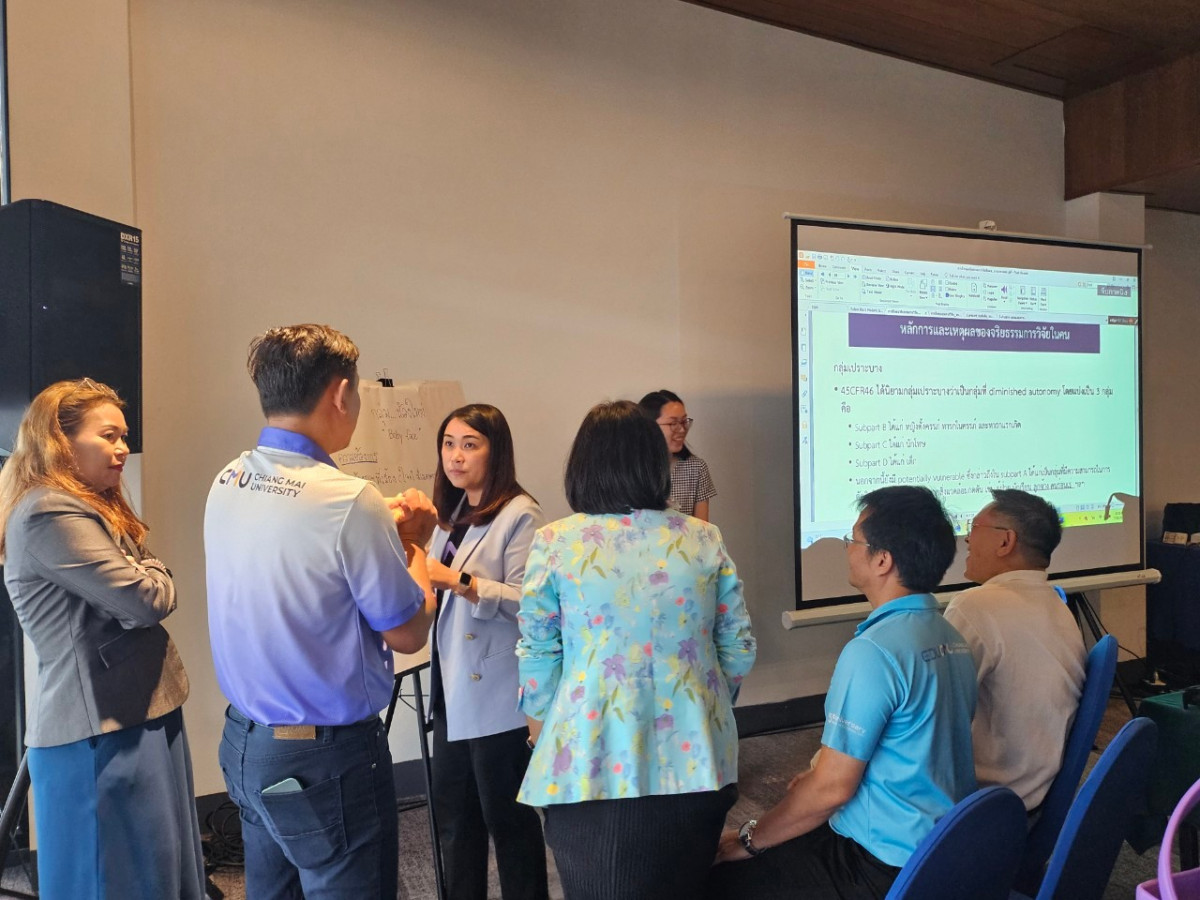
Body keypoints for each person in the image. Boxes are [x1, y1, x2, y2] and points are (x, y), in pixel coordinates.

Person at [205, 324, 437, 900]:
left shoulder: (229, 478)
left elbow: (301, 557)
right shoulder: (348, 499)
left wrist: (377, 530)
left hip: (247, 743)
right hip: (325, 758)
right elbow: (408, 633)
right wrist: (415, 546)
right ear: (341, 393)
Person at [516, 400, 756, 900]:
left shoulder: (557, 543)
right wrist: (706, 703)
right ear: (655, 465)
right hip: (697, 757)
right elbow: (737, 647)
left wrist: (543, 731)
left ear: (582, 466)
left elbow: (538, 654)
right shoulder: (703, 539)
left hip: (589, 756)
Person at [707, 485, 976, 900]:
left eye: (854, 539)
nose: (847, 548)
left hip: (878, 864)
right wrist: (823, 777)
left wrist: (747, 839)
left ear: (882, 560)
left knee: (715, 880)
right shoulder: (951, 636)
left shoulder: (874, 651)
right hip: (941, 849)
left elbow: (833, 790)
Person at [0, 378, 204, 900]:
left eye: (124, 436)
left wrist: (144, 570)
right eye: (108, 435)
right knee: (110, 883)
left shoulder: (85, 504)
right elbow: (144, 601)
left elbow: (136, 588)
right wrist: (155, 569)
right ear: (59, 442)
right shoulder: (49, 511)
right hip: (98, 731)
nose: (122, 448)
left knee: (157, 874)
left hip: (135, 711)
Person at [424, 403, 549, 900]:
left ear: (496, 452)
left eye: (470, 445)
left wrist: (461, 581)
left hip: (497, 693)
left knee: (508, 821)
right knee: (455, 822)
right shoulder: (451, 512)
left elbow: (530, 603)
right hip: (450, 686)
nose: (455, 456)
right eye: (449, 443)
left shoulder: (521, 513)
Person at [943, 488, 1086, 811]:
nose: (966, 539)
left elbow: (937, 713)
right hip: (1038, 790)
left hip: (987, 801)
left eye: (973, 528)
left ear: (1005, 541)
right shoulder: (1056, 603)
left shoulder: (975, 605)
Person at [638, 389, 716, 521]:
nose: (682, 429)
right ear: (649, 426)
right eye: (673, 423)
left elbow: (703, 528)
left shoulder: (696, 468)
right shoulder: (632, 470)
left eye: (684, 421)